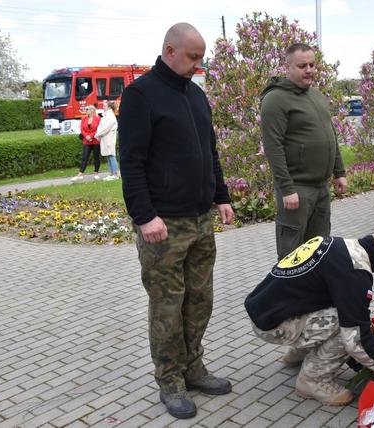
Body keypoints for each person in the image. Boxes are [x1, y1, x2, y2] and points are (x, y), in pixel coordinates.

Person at [118, 22, 234, 420]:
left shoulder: (197, 96)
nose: (198, 66)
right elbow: (131, 163)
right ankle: (170, 380)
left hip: (201, 219)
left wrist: (221, 196)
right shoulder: (140, 96)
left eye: (202, 58)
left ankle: (194, 367)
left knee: (200, 300)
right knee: (168, 305)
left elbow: (210, 151)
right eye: (193, 58)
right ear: (170, 50)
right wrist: (145, 215)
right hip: (163, 225)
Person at [244, 220, 374, 406]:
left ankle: (297, 354)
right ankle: (312, 380)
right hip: (273, 325)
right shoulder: (355, 272)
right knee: (346, 326)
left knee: (344, 310)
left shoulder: (337, 244)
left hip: (265, 310)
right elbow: (357, 341)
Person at [260, 43, 348, 260]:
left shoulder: (317, 96)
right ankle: (288, 293)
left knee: (319, 247)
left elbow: (331, 136)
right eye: (302, 65)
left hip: (320, 188)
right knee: (292, 253)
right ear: (287, 66)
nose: (309, 69)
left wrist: (339, 172)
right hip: (296, 189)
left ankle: (314, 292)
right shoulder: (275, 99)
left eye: (312, 64)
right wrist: (287, 189)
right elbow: (273, 147)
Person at [71, 105, 101, 181]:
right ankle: (80, 174)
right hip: (86, 141)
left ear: (92, 110)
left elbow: (98, 129)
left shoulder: (98, 119)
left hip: (95, 141)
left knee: (96, 157)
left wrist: (91, 136)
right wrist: (86, 136)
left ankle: (96, 173)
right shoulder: (84, 118)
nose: (86, 110)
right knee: (84, 157)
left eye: (87, 109)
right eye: (86, 109)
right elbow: (82, 129)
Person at [95, 101, 120, 181]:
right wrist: (98, 134)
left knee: (111, 156)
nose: (103, 107)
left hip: (109, 139)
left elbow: (106, 128)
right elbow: (100, 126)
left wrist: (98, 134)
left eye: (104, 105)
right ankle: (111, 173)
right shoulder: (106, 116)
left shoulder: (111, 117)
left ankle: (115, 174)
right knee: (109, 156)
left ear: (109, 107)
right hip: (105, 139)